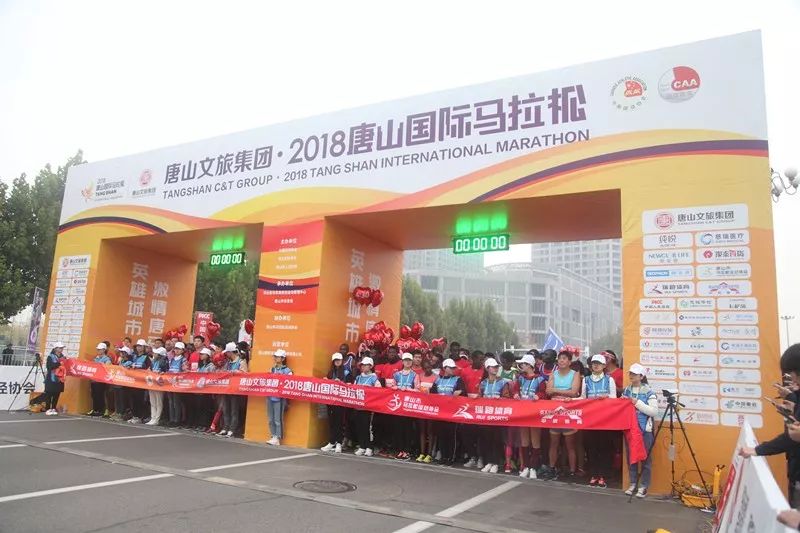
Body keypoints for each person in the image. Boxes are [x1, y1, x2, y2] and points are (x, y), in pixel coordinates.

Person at [740, 343, 800, 507]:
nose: (793, 380)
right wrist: (792, 399)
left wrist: (758, 450)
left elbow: (792, 437)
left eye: (793, 375)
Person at [541, 349, 581, 480]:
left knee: (570, 444)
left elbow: (574, 392)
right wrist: (564, 391)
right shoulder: (553, 374)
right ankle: (552, 468)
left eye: (564, 359)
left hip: (569, 411)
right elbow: (548, 391)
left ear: (569, 362)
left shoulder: (575, 374)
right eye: (560, 358)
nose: (561, 361)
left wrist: (556, 391)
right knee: (553, 442)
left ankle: (572, 471)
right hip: (555, 411)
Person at [622, 363, 658, 498]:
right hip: (630, 429)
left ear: (641, 376)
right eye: (630, 373)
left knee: (645, 459)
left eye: (634, 374)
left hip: (645, 430)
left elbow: (653, 411)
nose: (631, 376)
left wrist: (636, 402)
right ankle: (633, 483)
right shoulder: (627, 390)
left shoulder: (649, 392)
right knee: (631, 457)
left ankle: (643, 486)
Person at [582, 354, 617, 488]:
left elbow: (614, 398)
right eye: (594, 363)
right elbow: (583, 398)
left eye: (598, 363)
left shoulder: (609, 379)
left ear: (604, 366)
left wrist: (606, 397)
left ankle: (603, 475)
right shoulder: (586, 380)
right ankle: (593, 474)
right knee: (591, 447)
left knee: (604, 447)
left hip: (605, 419)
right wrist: (570, 400)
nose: (595, 365)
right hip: (590, 419)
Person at [478, 357, 512, 474]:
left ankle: (496, 463)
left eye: (497, 367)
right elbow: (479, 397)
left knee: (497, 440)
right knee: (487, 439)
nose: (496, 369)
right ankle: (489, 462)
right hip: (486, 416)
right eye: (493, 367)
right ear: (487, 368)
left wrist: (500, 399)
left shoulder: (503, 382)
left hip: (498, 416)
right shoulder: (483, 383)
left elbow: (507, 398)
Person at [516, 353, 546, 478]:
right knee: (524, 441)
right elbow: (515, 389)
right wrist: (515, 394)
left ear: (530, 365)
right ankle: (526, 467)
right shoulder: (520, 378)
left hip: (534, 414)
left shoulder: (540, 379)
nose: (521, 366)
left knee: (535, 441)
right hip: (522, 412)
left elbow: (543, 392)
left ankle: (533, 467)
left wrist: (539, 396)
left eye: (523, 364)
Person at [432, 358, 465, 465]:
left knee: (451, 435)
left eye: (453, 368)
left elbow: (463, 392)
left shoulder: (458, 379)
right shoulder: (438, 380)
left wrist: (460, 392)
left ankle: (451, 457)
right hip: (440, 412)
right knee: (441, 435)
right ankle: (443, 456)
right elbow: (432, 393)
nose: (453, 369)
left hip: (452, 413)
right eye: (450, 368)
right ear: (445, 368)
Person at [321, 352, 353, 453]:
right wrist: (326, 380)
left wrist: (341, 383)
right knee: (332, 422)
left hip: (341, 401)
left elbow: (350, 385)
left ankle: (339, 443)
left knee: (339, 422)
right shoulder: (330, 372)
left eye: (338, 360)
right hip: (330, 401)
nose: (337, 362)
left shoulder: (347, 372)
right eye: (335, 360)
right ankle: (332, 442)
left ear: (342, 361)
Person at [390, 352, 417, 460]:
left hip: (408, 406)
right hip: (398, 406)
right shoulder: (397, 374)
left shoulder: (414, 375)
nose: (407, 362)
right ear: (402, 361)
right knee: (398, 428)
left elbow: (418, 389)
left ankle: (407, 450)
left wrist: (408, 389)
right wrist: (397, 388)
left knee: (408, 429)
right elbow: (392, 386)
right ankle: (400, 450)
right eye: (405, 360)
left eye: (409, 360)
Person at [353, 356, 381, 457]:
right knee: (359, 426)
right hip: (358, 406)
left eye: (366, 365)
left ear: (370, 366)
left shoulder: (374, 378)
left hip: (368, 408)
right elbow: (353, 388)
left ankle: (369, 447)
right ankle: (362, 446)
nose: (363, 367)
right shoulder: (358, 377)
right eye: (362, 365)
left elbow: (379, 390)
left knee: (367, 427)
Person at [220, 342, 248, 438]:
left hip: (235, 389)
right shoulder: (228, 362)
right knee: (226, 409)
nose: (226, 354)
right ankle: (225, 427)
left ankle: (232, 429)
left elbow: (245, 373)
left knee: (234, 410)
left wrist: (236, 372)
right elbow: (223, 372)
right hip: (226, 388)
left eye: (227, 352)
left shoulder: (241, 361)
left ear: (231, 352)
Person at [30, 342, 66, 415]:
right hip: (51, 379)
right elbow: (50, 367)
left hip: (60, 379)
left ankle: (53, 408)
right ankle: (48, 408)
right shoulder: (50, 357)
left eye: (62, 348)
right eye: (60, 348)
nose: (61, 349)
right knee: (49, 394)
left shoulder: (63, 357)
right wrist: (59, 363)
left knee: (57, 394)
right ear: (55, 348)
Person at [267, 349, 292, 445]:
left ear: (283, 358)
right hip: (270, 396)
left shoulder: (287, 371)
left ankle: (277, 438)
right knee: (270, 418)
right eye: (275, 356)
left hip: (280, 398)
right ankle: (273, 435)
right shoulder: (272, 369)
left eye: (278, 357)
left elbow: (289, 383)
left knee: (278, 418)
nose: (275, 358)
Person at [417, 358, 438, 463]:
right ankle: (422, 453)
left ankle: (429, 454)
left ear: (431, 367)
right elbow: (416, 389)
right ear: (422, 368)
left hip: (431, 406)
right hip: (421, 406)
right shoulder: (419, 376)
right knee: (422, 431)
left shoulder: (436, 377)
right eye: (425, 368)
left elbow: (437, 392)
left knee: (430, 431)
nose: (427, 369)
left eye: (429, 367)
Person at [128, 339, 151, 424]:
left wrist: (141, 370)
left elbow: (149, 369)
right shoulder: (134, 356)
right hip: (133, 381)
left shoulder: (146, 357)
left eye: (140, 346)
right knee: (133, 398)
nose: (138, 348)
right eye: (137, 346)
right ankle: (134, 416)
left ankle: (140, 416)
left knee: (140, 399)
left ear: (144, 347)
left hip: (141, 382)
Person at [167, 341, 187, 428]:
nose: (177, 350)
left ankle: (177, 420)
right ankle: (171, 419)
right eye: (176, 349)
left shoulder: (183, 360)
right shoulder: (172, 359)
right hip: (170, 382)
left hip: (178, 383)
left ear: (182, 350)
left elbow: (185, 371)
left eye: (179, 349)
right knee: (170, 402)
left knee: (176, 402)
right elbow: (169, 369)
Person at [87, 342, 111, 416]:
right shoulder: (96, 358)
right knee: (94, 395)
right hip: (94, 380)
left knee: (100, 395)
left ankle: (101, 411)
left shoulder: (107, 359)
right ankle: (95, 409)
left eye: (100, 349)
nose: (98, 351)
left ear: (104, 350)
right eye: (98, 349)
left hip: (101, 381)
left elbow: (107, 368)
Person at [146, 347, 168, 425]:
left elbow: (166, 372)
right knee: (152, 401)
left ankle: (157, 419)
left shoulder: (164, 363)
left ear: (160, 355)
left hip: (159, 384)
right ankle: (152, 417)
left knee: (159, 402)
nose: (154, 354)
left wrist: (162, 373)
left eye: (156, 353)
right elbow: (150, 370)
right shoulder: (153, 362)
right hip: (152, 383)